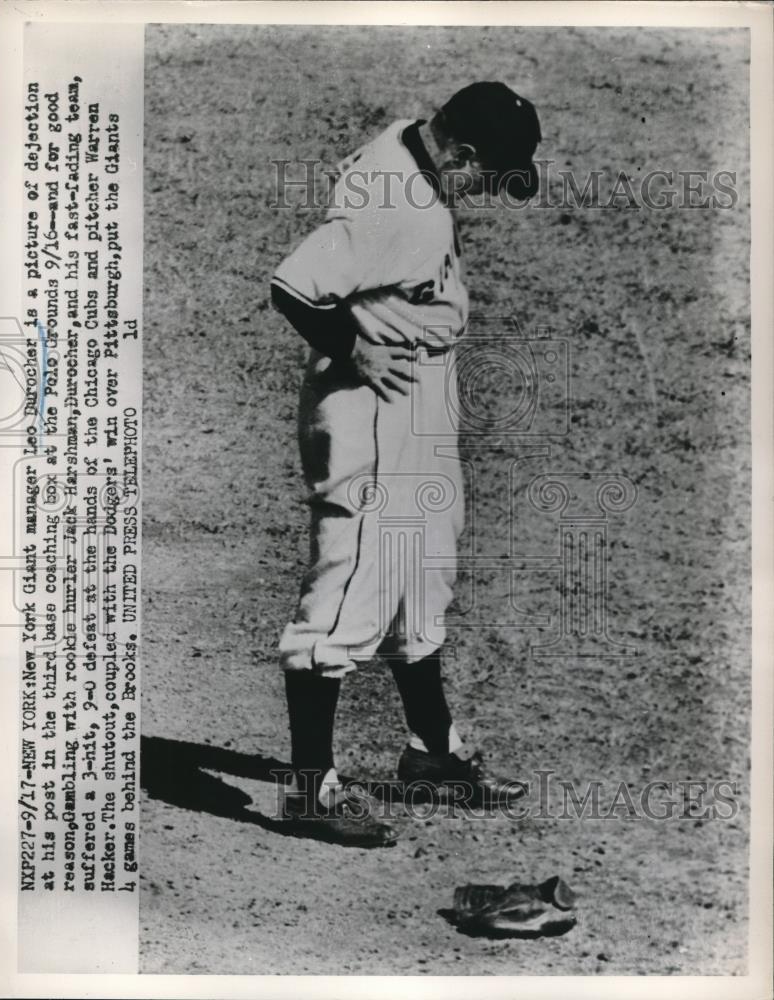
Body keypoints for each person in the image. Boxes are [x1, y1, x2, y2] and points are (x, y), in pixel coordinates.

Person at [270, 82, 542, 847]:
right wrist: (353, 346)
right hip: (373, 408)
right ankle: (307, 791)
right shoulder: (396, 203)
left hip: (421, 393)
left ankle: (431, 756)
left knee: (423, 576)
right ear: (456, 155)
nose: (489, 192)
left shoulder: (416, 151)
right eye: (486, 175)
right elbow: (294, 284)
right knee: (353, 585)